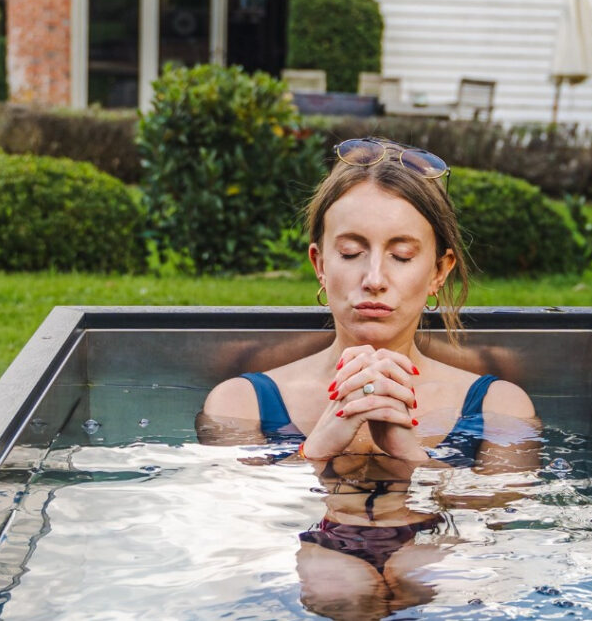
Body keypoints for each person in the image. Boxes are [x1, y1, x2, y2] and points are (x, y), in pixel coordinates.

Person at [198, 137, 539, 619]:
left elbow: (508, 524)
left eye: (401, 256)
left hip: (443, 567)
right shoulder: (240, 403)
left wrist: (409, 454)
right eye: (353, 252)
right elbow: (231, 525)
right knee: (335, 584)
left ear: (439, 271)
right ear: (320, 263)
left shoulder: (498, 405)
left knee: (430, 573)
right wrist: (319, 445)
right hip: (293, 573)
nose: (374, 277)